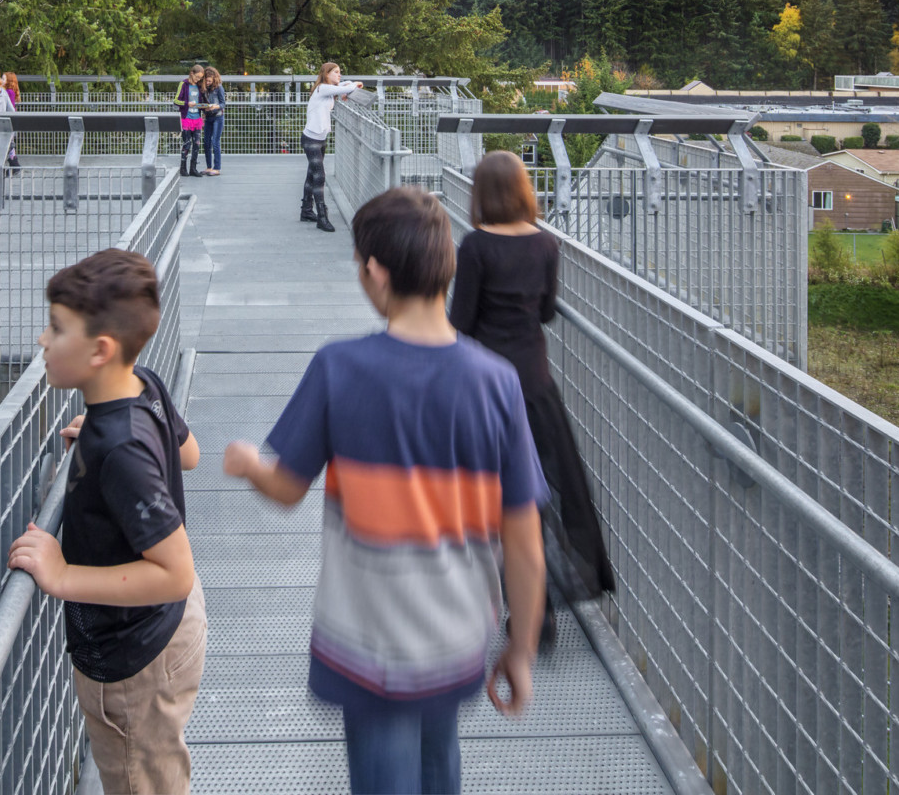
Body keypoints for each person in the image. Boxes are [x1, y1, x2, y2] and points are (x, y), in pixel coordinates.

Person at [223, 187, 547, 795]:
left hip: (368, 637)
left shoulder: (340, 367)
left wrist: (247, 464)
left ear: (374, 271)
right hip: (457, 635)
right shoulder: (497, 381)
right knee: (437, 762)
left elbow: (288, 487)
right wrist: (521, 647)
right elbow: (525, 543)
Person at [8, 248, 205, 795]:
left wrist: (62, 574)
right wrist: (98, 432)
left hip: (136, 661)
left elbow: (175, 572)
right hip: (170, 628)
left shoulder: (118, 448)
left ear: (100, 350)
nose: (43, 340)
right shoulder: (143, 384)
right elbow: (188, 454)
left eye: (56, 328)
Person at [449, 151, 615, 617]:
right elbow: (545, 313)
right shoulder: (545, 245)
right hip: (535, 385)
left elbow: (460, 320)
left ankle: (496, 599)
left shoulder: (475, 246)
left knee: (488, 495)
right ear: (523, 191)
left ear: (482, 193)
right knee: (535, 494)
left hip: (484, 389)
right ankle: (537, 606)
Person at [299, 61, 363, 232]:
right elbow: (345, 88)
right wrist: (355, 84)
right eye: (335, 72)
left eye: (339, 72)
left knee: (312, 174)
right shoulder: (322, 89)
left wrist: (349, 85)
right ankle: (321, 216)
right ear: (326, 74)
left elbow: (343, 86)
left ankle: (306, 210)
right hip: (311, 140)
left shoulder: (327, 90)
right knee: (319, 176)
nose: (339, 75)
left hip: (320, 139)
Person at [175, 64, 206, 177]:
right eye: (197, 77)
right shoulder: (183, 84)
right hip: (186, 118)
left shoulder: (198, 87)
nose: (198, 80)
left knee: (197, 144)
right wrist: (187, 104)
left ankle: (193, 168)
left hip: (197, 118)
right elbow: (176, 101)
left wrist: (204, 106)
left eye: (200, 78)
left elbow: (201, 101)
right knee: (187, 144)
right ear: (191, 73)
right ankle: (183, 168)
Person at [199, 66, 226, 176]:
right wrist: (203, 108)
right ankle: (209, 167)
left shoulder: (219, 88)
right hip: (208, 117)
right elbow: (202, 102)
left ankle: (217, 168)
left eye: (210, 81)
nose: (208, 82)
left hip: (218, 117)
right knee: (206, 142)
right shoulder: (204, 89)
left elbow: (223, 103)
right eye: (207, 81)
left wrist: (215, 106)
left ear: (214, 79)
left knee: (215, 142)